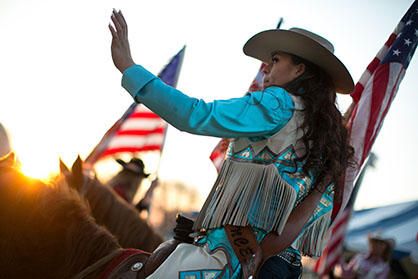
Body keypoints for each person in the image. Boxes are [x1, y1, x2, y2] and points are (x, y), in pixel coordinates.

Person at [109, 9, 354, 278]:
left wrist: (129, 68)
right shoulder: (330, 138)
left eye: (275, 59)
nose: (265, 67)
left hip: (227, 255)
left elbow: (195, 114)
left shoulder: (278, 104)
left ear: (299, 69)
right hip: (282, 266)